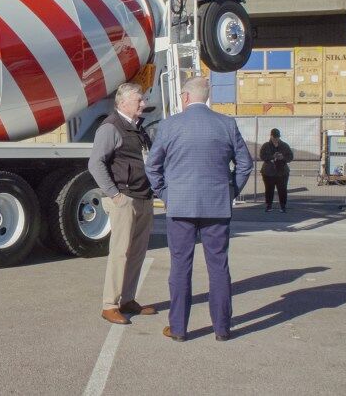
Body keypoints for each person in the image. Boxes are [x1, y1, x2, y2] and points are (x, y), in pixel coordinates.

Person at [145, 77, 253, 342]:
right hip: (216, 206)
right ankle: (222, 329)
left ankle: (179, 329)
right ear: (206, 97)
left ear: (184, 97)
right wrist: (230, 192)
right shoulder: (226, 124)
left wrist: (166, 193)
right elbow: (245, 164)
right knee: (219, 267)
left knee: (180, 267)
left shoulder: (170, 126)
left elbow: (152, 166)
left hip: (180, 206)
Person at [88, 83, 157, 325]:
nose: (143, 104)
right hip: (125, 199)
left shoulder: (138, 129)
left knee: (137, 253)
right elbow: (95, 163)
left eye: (142, 100)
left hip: (144, 197)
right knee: (120, 253)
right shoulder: (110, 127)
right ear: (123, 102)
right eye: (139, 100)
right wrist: (115, 195)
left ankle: (128, 300)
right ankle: (109, 305)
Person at [259, 128, 293, 213]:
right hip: (268, 172)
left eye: (277, 137)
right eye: (274, 137)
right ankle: (268, 206)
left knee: (282, 190)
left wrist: (283, 158)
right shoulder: (266, 145)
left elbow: (290, 157)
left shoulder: (284, 145)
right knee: (269, 189)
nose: (275, 139)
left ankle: (283, 206)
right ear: (271, 136)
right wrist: (272, 157)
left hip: (282, 172)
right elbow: (262, 156)